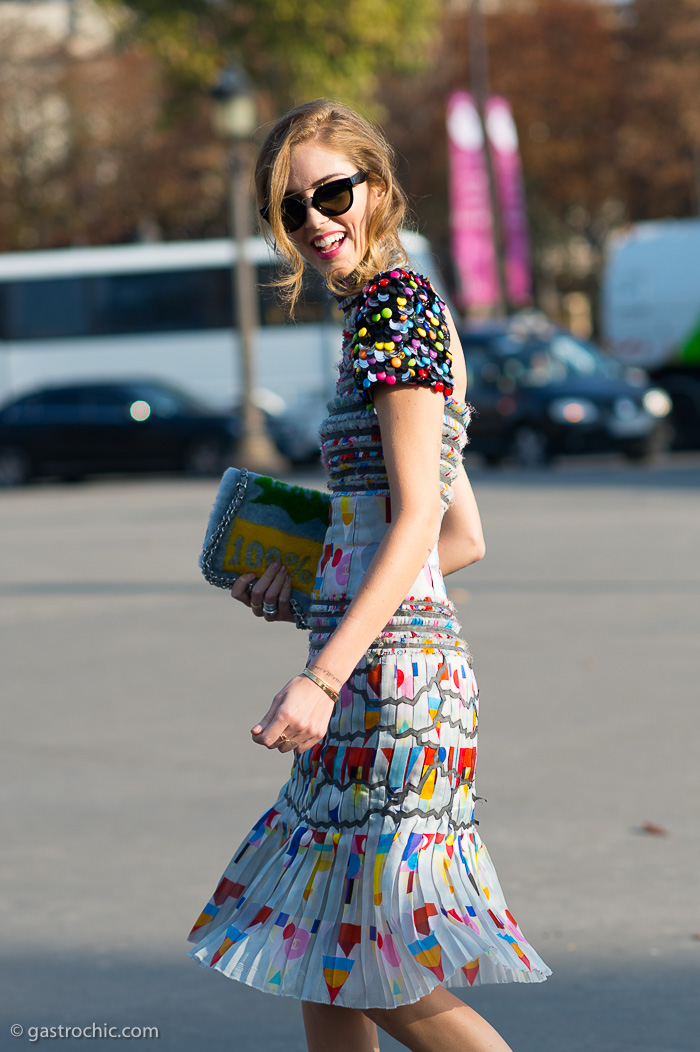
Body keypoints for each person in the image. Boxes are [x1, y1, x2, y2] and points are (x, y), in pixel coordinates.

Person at [187, 99, 550, 1052]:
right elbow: (462, 536)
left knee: (368, 954)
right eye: (291, 208)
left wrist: (321, 673)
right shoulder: (393, 314)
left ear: (376, 190)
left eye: (331, 193)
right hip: (379, 665)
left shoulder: (397, 311)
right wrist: (308, 592)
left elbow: (424, 518)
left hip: (388, 687)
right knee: (319, 946)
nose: (315, 222)